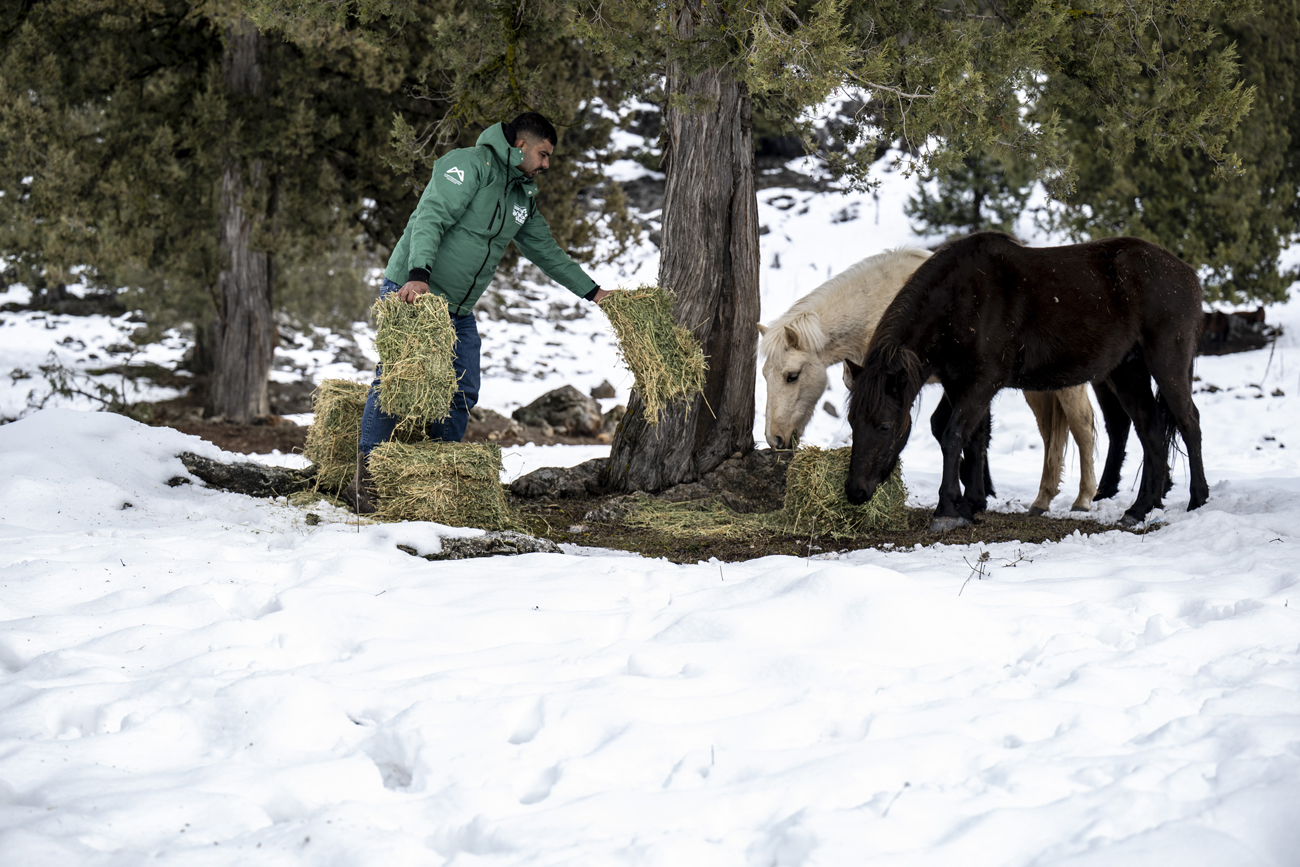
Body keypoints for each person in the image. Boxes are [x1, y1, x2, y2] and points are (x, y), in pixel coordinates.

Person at [344, 111, 612, 513]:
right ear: (521, 145)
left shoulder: (522, 195)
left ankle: (432, 482)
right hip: (414, 291)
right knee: (397, 383)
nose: (546, 165)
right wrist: (418, 275)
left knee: (462, 390)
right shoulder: (469, 165)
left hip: (458, 309)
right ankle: (365, 481)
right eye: (543, 154)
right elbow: (431, 217)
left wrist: (593, 292)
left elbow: (547, 252)